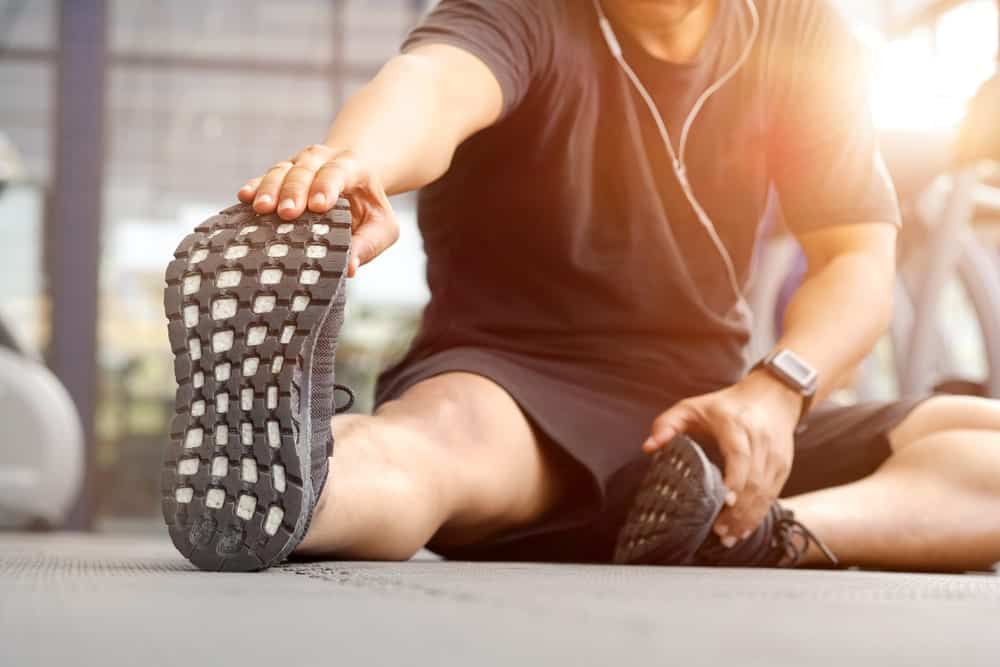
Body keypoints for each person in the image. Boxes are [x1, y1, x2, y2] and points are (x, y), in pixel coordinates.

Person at [164, 0, 1000, 572]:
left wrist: (777, 389)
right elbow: (431, 87)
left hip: (704, 428)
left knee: (985, 441)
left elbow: (858, 257)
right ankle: (280, 479)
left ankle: (753, 533)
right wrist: (355, 168)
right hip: (518, 389)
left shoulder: (797, 31)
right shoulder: (523, 11)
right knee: (427, 449)